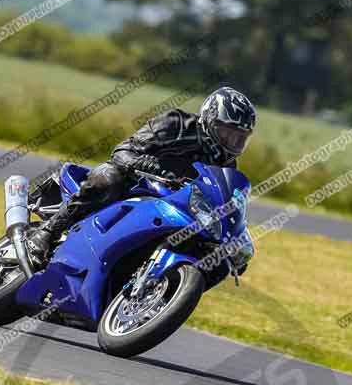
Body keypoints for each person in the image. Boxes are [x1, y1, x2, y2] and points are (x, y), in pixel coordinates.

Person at [29, 86, 257, 264]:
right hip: (135, 183)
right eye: (227, 133)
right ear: (209, 120)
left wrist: (235, 241)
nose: (232, 143)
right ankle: (47, 233)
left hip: (173, 204)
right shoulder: (176, 124)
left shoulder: (227, 163)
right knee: (107, 178)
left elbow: (222, 199)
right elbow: (123, 151)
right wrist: (151, 166)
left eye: (240, 138)